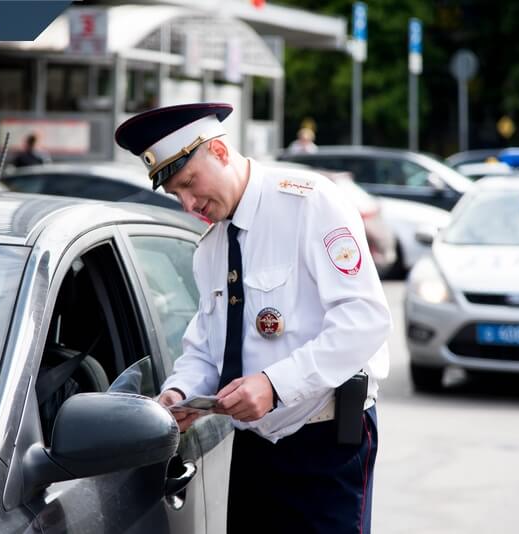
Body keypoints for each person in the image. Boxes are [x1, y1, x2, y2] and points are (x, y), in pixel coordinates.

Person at [115, 102, 391, 533]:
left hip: (327, 442)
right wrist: (180, 392)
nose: (189, 204)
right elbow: (208, 345)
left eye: (189, 183)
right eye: (176, 195)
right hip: (256, 442)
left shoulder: (310, 203)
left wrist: (275, 384)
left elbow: (366, 318)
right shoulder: (211, 248)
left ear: (220, 152)